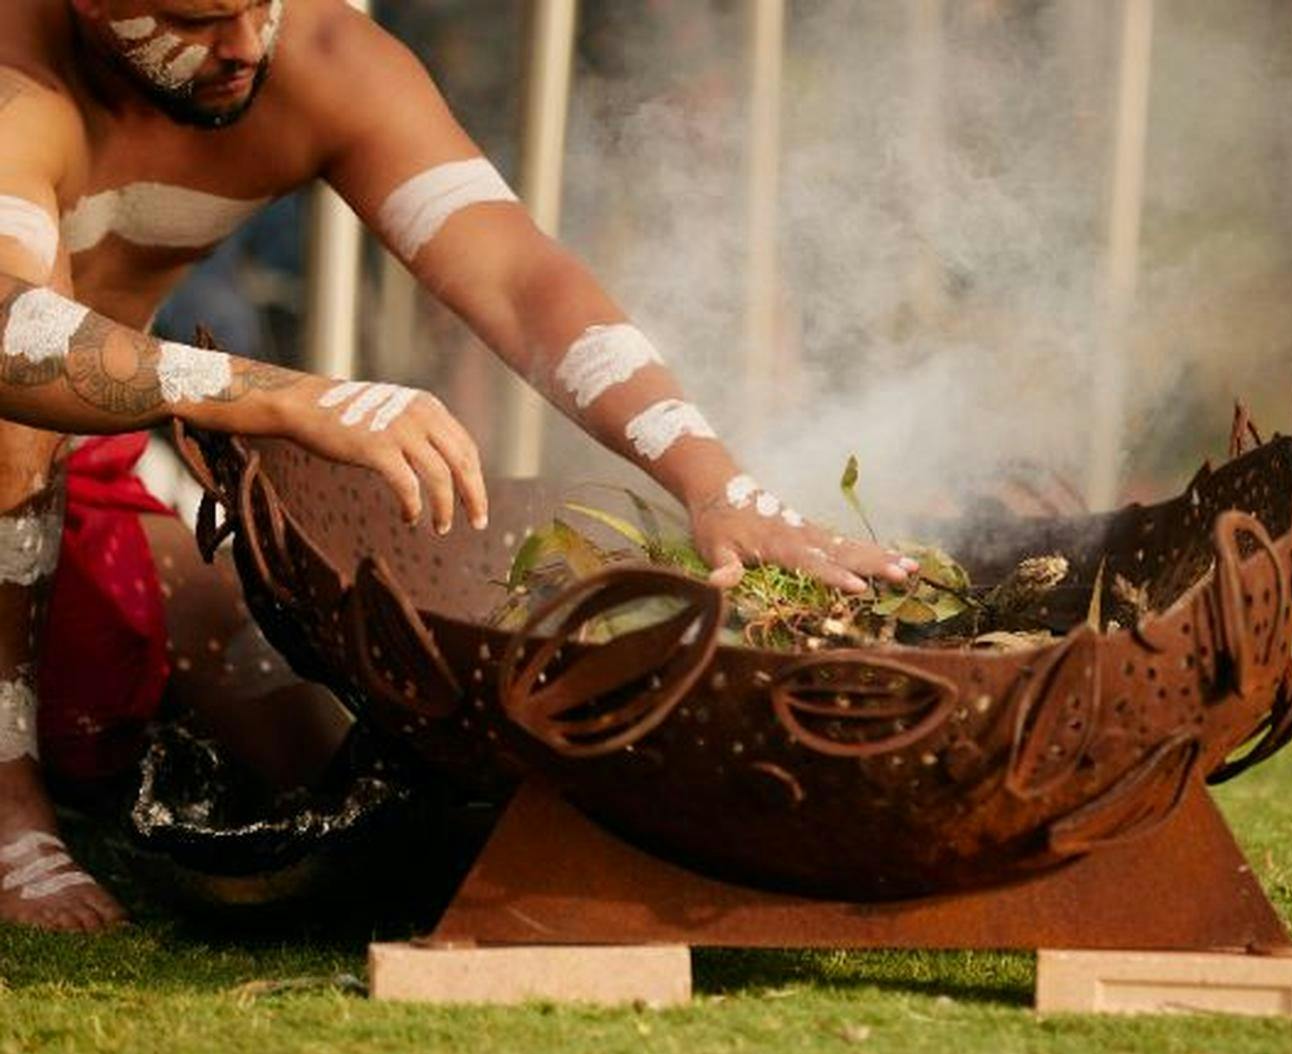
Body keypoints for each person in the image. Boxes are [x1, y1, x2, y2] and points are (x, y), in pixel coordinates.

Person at [0, 0, 915, 932]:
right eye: (197, 18)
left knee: (284, 717)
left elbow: (517, 279)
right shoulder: (14, 73)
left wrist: (715, 483)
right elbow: (7, 333)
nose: (242, 45)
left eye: (256, 4)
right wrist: (282, 394)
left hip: (83, 468)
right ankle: (9, 808)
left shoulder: (318, 57)